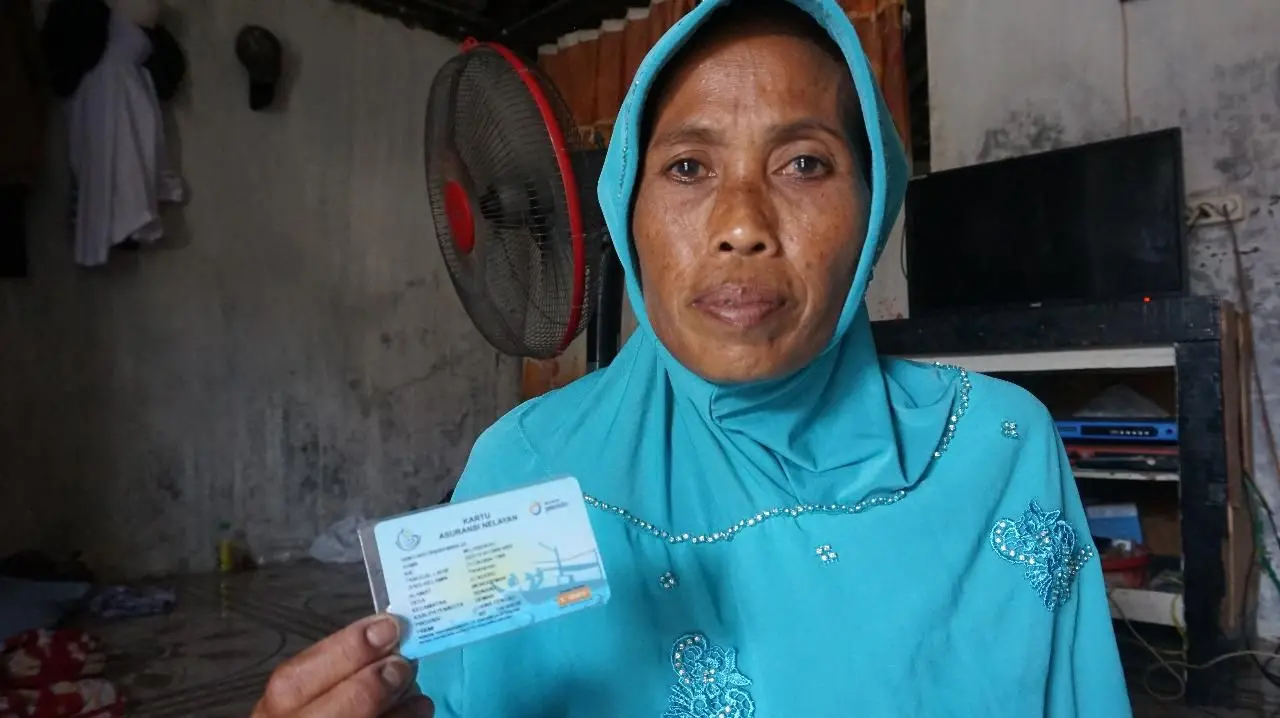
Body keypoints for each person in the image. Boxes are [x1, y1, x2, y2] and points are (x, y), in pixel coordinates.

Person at [251, 0, 1132, 716]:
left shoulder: (997, 449)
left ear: (873, 209)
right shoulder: (522, 471)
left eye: (803, 163)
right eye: (686, 168)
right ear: (625, 209)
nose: (742, 225)